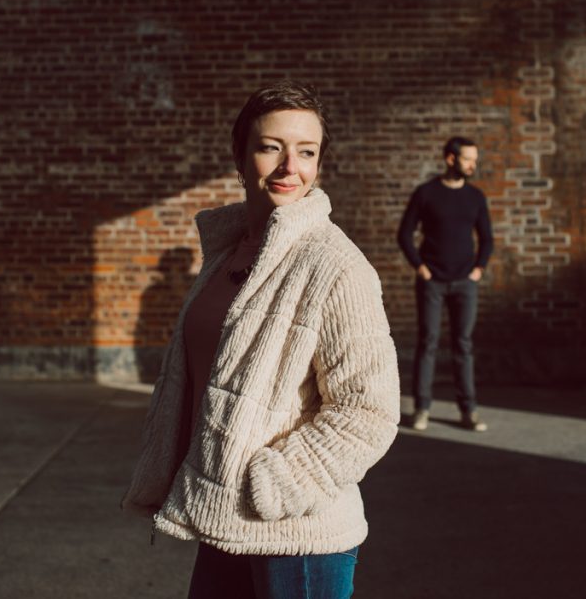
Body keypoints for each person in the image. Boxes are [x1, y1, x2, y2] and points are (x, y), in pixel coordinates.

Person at [122, 81, 401, 599]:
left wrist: (271, 485)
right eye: (271, 146)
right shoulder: (230, 251)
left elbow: (369, 411)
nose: (288, 166)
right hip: (223, 518)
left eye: (307, 152)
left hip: (294, 533)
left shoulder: (335, 265)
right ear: (240, 156)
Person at [397, 136, 493, 432]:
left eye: (474, 160)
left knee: (463, 345)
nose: (473, 165)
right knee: (428, 344)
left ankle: (468, 411)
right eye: (468, 159)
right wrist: (421, 268)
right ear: (450, 159)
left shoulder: (476, 197)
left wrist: (478, 269)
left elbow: (487, 238)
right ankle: (421, 409)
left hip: (465, 282)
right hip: (432, 282)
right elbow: (405, 233)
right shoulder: (426, 193)